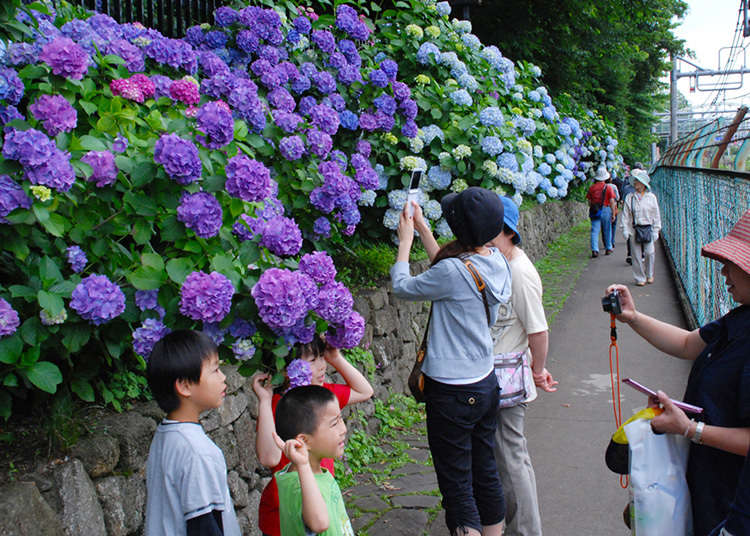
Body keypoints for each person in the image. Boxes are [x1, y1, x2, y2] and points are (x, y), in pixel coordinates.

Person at [606, 208, 750, 535]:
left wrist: (690, 429)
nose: (724, 271)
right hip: (705, 481)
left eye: (735, 264)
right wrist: (633, 316)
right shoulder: (739, 319)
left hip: (731, 501)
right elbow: (687, 343)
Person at [391, 186, 512, 536]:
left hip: (452, 393)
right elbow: (450, 271)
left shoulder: (454, 273)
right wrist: (424, 229)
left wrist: (405, 243)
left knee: (457, 482)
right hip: (486, 384)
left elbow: (404, 287)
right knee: (484, 469)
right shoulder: (495, 260)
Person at [253, 336, 373, 536]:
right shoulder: (280, 405)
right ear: (286, 368)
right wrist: (265, 402)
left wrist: (335, 357)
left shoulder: (322, 397)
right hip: (283, 515)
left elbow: (365, 391)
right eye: (311, 360)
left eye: (321, 357)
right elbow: (269, 457)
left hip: (322, 500)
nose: (321, 366)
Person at [488, 196, 558, 536]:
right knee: (507, 457)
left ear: (506, 230)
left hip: (507, 378)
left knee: (511, 458)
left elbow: (538, 330)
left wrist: (537, 370)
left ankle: (526, 531)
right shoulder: (501, 263)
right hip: (498, 376)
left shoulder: (519, 272)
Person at [144, 330, 241, 536]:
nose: (224, 378)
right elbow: (204, 526)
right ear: (185, 386)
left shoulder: (165, 436)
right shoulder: (197, 452)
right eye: (215, 370)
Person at [274, 385, 354, 535]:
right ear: (304, 441)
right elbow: (319, 523)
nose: (343, 429)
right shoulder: (299, 486)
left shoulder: (317, 473)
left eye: (340, 419)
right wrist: (303, 465)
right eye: (334, 423)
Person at [620, 168, 662, 286]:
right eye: (634, 181)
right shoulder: (630, 197)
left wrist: (656, 229)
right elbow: (626, 214)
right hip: (635, 228)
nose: (635, 184)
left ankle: (649, 274)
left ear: (643, 184)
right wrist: (625, 229)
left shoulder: (651, 198)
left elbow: (656, 214)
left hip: (648, 228)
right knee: (636, 255)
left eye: (637, 181)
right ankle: (639, 277)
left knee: (650, 252)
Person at [586, 166, 617, 258]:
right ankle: (608, 247)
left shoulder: (592, 188)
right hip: (606, 209)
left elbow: (589, 201)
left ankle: (595, 250)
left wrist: (593, 207)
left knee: (595, 230)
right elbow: (612, 201)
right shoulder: (608, 187)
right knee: (607, 229)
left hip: (595, 210)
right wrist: (613, 213)